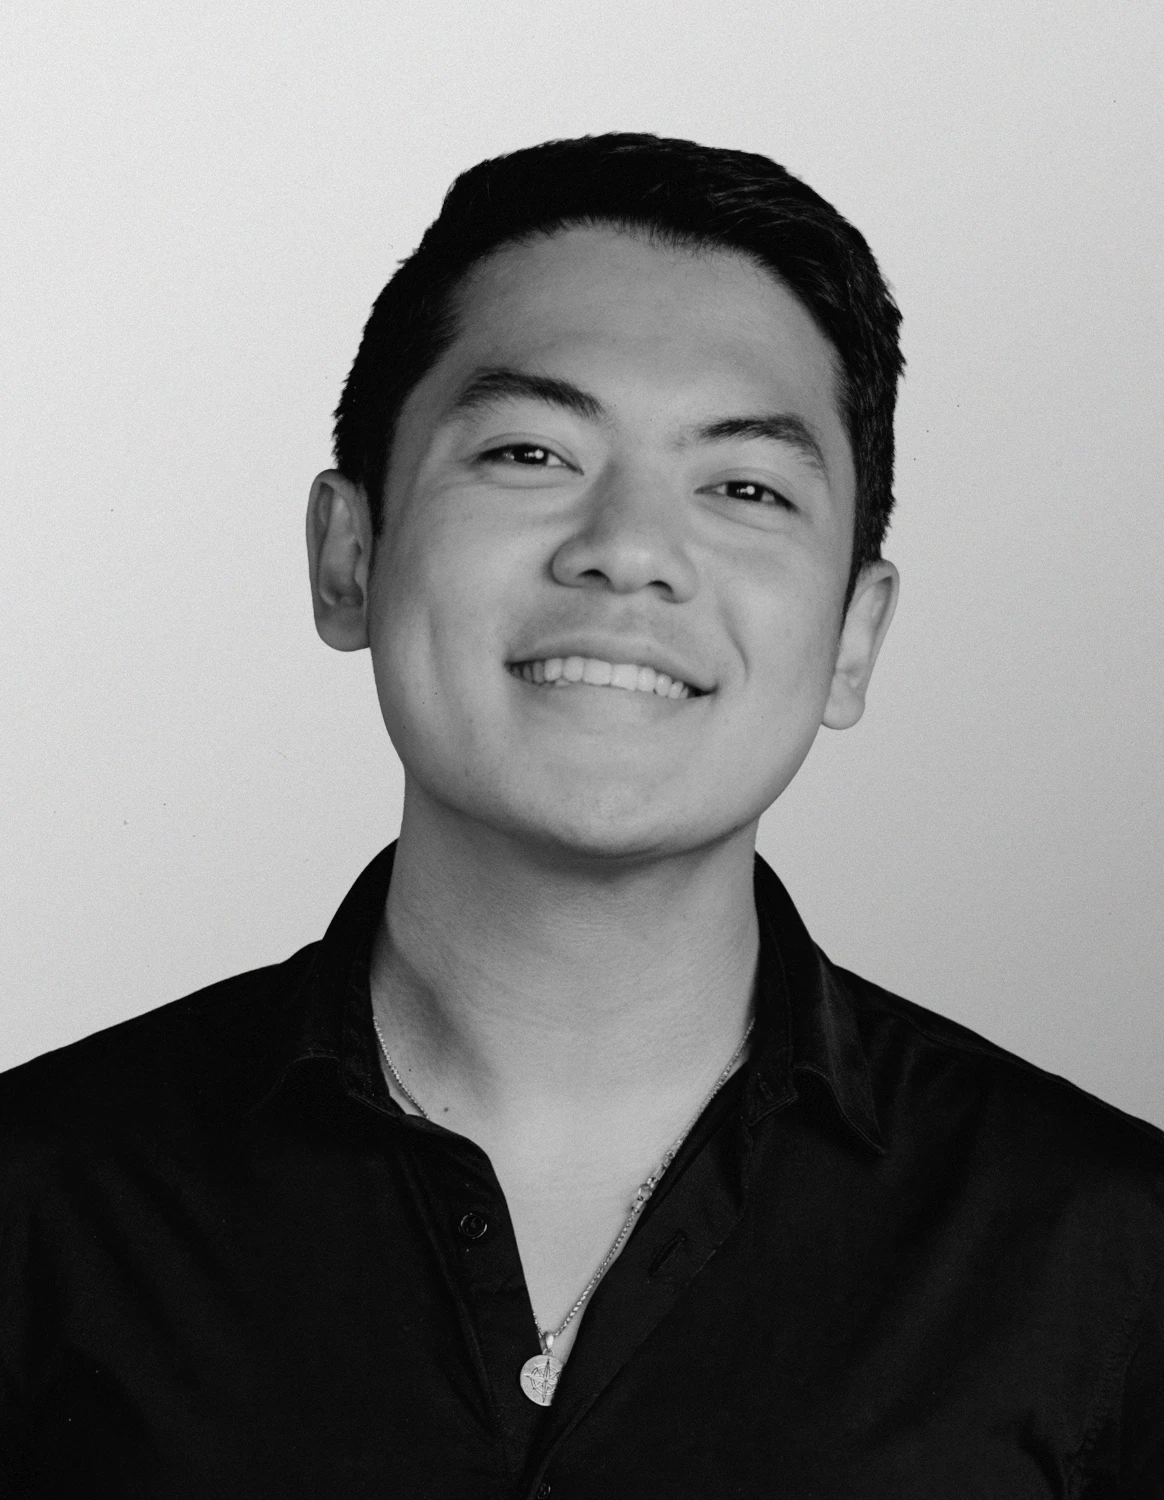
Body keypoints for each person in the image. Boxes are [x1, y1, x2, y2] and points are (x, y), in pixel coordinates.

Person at [1, 134, 1160, 1498]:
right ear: (348, 556)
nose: (628, 551)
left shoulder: (1106, 1257)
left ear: (855, 634)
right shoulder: (38, 1208)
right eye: (529, 451)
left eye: (745, 488)